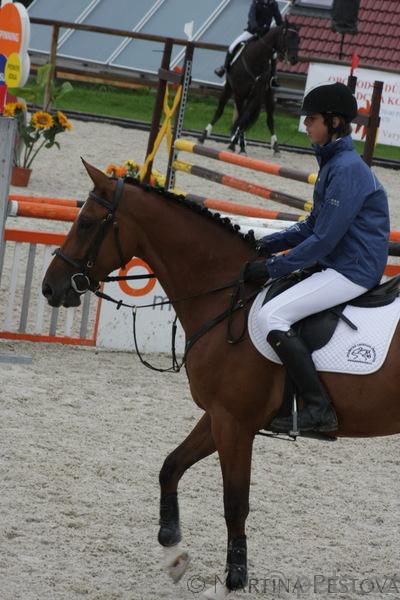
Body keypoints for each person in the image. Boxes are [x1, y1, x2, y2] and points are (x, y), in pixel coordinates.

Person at [244, 81, 390, 435]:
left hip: (352, 270)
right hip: (340, 262)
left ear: (334, 122)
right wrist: (266, 244)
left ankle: (318, 408)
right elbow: (312, 224)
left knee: (272, 316)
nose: (306, 125)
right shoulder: (333, 163)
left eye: (311, 119)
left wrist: (272, 267)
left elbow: (323, 239)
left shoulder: (348, 169)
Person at [214, 0, 283, 84]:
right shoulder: (256, 3)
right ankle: (224, 67)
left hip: (265, 34)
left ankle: (273, 77)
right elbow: (251, 17)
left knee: (274, 54)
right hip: (252, 32)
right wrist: (256, 28)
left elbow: (278, 20)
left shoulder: (273, 4)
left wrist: (283, 27)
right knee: (232, 46)